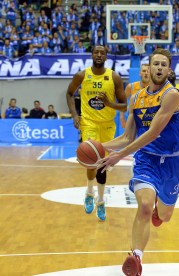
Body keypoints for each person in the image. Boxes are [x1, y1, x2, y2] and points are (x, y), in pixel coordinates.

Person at [97, 49, 179, 276]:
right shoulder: (135, 99)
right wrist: (99, 146)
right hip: (146, 160)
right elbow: (128, 137)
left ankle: (159, 211)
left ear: (169, 70)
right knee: (144, 205)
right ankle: (136, 258)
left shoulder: (172, 95)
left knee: (165, 215)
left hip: (172, 163)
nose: (159, 68)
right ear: (148, 67)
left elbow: (154, 132)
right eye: (156, 64)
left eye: (163, 65)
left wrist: (119, 154)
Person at [66, 45, 127, 221]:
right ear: (92, 55)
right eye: (96, 52)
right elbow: (69, 94)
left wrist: (109, 103)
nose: (99, 55)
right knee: (93, 160)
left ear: (106, 57)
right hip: (89, 122)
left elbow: (124, 105)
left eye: (102, 53)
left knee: (103, 164)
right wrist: (75, 115)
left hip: (108, 124)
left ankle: (100, 200)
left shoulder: (114, 77)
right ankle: (89, 193)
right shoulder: (81, 76)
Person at [120, 64, 150, 129]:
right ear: (140, 73)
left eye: (148, 71)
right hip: (134, 122)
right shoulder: (131, 87)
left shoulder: (155, 88)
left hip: (149, 122)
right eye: (144, 71)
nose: (146, 73)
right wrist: (122, 118)